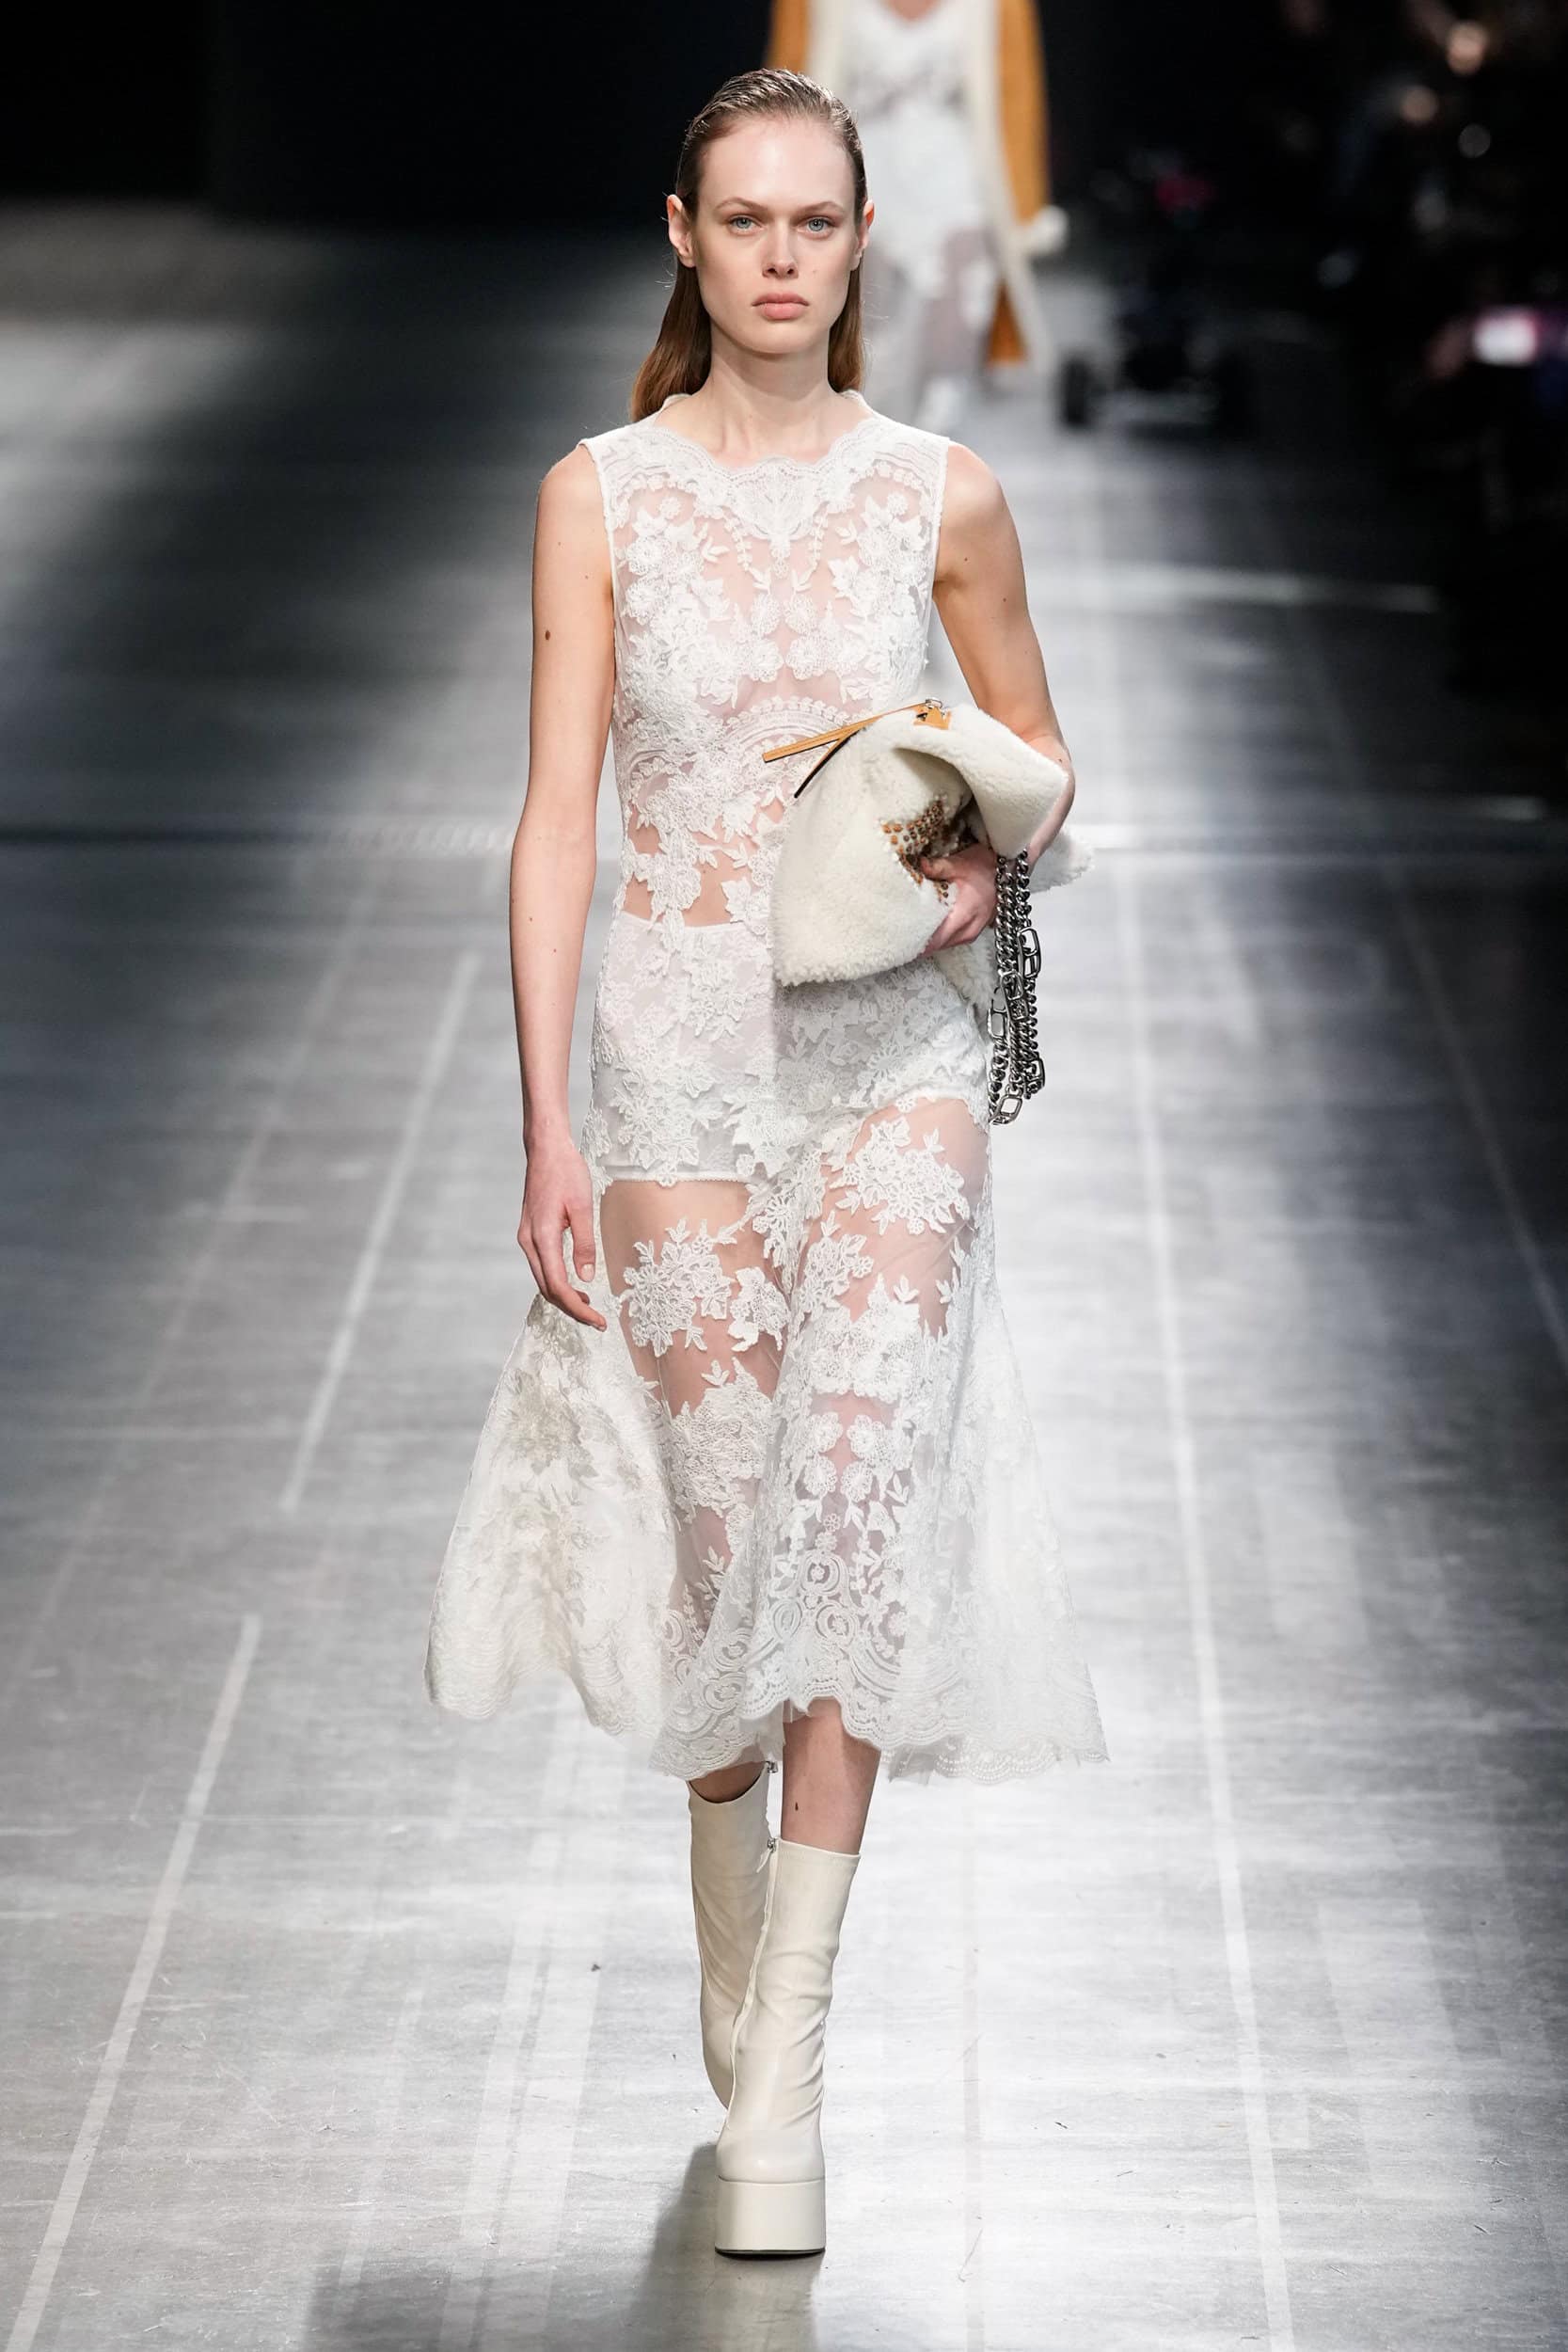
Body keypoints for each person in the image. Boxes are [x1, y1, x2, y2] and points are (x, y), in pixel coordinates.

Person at [424, 65, 1108, 2258]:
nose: (784, 258)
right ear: (685, 237)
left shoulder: (942, 496)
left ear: (861, 238)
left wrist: (981, 861)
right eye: (747, 220)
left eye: (817, 221)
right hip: (672, 1078)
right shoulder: (596, 496)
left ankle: (784, 2077)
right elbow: (555, 817)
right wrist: (544, 1117)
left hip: (892, 1058)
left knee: (847, 1522)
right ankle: (738, 1927)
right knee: (730, 1566)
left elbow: (1039, 760)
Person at [767, 0, 1066, 431]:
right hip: (855, 185)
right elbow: (784, 90)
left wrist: (1022, 208)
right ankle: (866, 465)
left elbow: (1018, 97)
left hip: (960, 186)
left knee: (948, 369)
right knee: (862, 359)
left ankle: (931, 466)